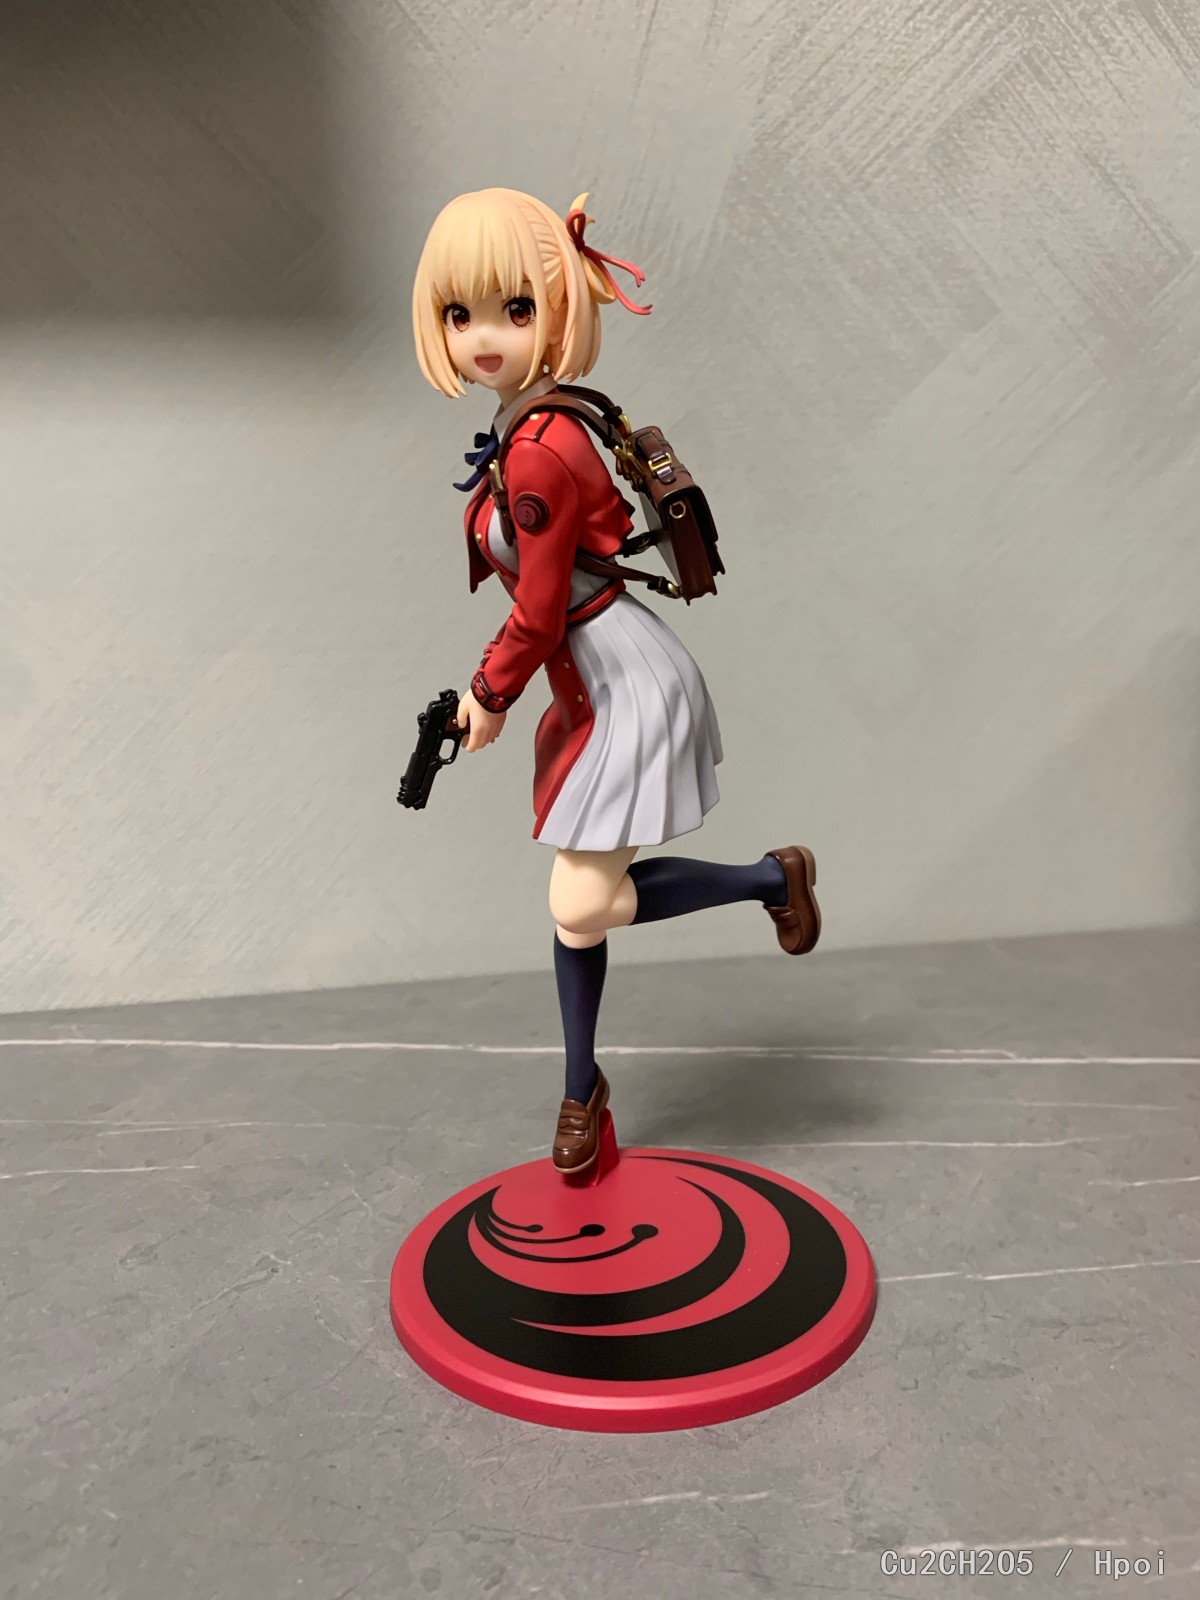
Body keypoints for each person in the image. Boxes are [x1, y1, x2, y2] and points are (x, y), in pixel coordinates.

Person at [412, 187, 820, 1175]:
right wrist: (492, 691)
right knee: (575, 908)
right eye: (461, 313)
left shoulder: (542, 449)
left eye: (515, 310)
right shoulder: (526, 426)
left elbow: (542, 605)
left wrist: (487, 697)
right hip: (588, 672)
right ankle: (580, 1089)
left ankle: (770, 881)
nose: (484, 337)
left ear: (555, 309)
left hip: (620, 677)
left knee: (582, 903)